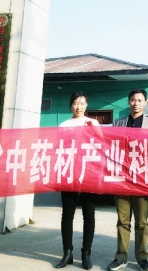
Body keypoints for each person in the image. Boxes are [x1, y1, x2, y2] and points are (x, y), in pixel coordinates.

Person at [107, 89, 148, 271]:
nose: (136, 103)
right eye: (133, 100)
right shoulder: (118, 123)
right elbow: (108, 147)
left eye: (140, 100)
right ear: (128, 102)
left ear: (145, 103)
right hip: (122, 179)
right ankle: (121, 257)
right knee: (123, 221)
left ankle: (143, 258)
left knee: (142, 223)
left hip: (142, 180)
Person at [56, 91, 100, 269]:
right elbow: (58, 148)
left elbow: (101, 145)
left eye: (82, 103)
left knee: (89, 214)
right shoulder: (64, 125)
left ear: (86, 105)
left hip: (89, 172)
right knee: (67, 214)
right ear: (70, 106)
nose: (78, 107)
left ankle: (86, 253)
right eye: (75, 103)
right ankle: (67, 252)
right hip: (69, 172)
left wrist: (92, 131)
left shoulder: (93, 123)